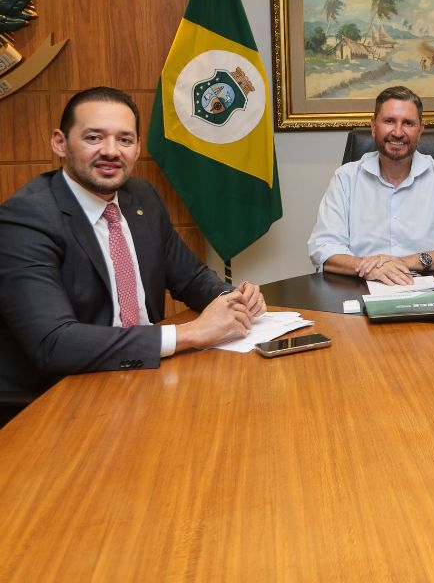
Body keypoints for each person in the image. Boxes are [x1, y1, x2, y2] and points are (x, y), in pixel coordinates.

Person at [0, 87, 264, 402]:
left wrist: (232, 299)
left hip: (144, 377)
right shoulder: (26, 218)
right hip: (59, 396)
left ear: (138, 149)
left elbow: (190, 278)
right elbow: (54, 344)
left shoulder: (142, 197)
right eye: (94, 138)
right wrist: (191, 333)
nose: (111, 151)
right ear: (60, 142)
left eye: (125, 140)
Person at [308, 85, 434, 285]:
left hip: (429, 290)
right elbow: (323, 247)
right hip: (361, 286)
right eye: (389, 121)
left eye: (408, 123)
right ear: (373, 126)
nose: (398, 132)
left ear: (420, 130)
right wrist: (370, 267)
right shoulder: (345, 178)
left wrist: (403, 262)